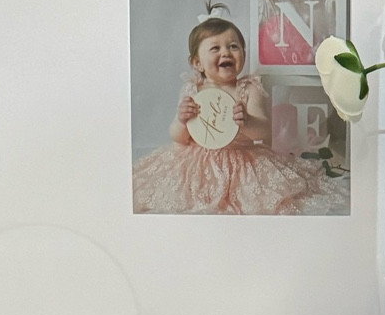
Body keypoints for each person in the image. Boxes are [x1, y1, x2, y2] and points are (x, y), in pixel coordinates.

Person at [132, 15, 342, 217]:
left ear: (243, 53)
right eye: (215, 48)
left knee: (254, 198)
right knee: (186, 195)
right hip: (199, 162)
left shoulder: (249, 89)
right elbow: (179, 138)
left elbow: (263, 130)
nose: (226, 53)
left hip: (242, 158)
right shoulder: (192, 90)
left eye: (233, 46)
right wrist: (181, 120)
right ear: (197, 63)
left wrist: (248, 122)